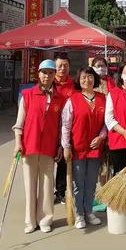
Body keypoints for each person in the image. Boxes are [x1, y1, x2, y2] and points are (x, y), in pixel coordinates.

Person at [12, 59, 64, 233]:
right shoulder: (27, 95)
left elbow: (61, 126)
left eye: (50, 73)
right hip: (29, 146)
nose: (47, 76)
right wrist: (18, 143)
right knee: (30, 184)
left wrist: (60, 146)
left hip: (49, 148)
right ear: (38, 74)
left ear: (54, 75)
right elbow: (19, 124)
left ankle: (45, 219)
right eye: (44, 72)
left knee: (47, 185)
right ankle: (30, 221)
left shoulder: (60, 98)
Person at [61, 67, 107, 229]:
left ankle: (89, 211)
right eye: (83, 78)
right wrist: (66, 146)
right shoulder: (72, 100)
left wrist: (101, 137)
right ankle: (79, 213)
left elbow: (106, 123)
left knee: (91, 182)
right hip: (78, 147)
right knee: (78, 183)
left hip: (95, 148)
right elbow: (66, 126)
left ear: (94, 79)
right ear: (78, 81)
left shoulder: (103, 99)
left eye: (89, 77)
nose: (86, 80)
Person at [53, 53, 75, 205]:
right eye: (59, 65)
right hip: (50, 128)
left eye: (65, 65)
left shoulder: (74, 85)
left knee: (63, 162)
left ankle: (61, 192)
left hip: (67, 129)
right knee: (48, 162)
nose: (62, 68)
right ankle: (47, 193)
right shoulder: (48, 83)